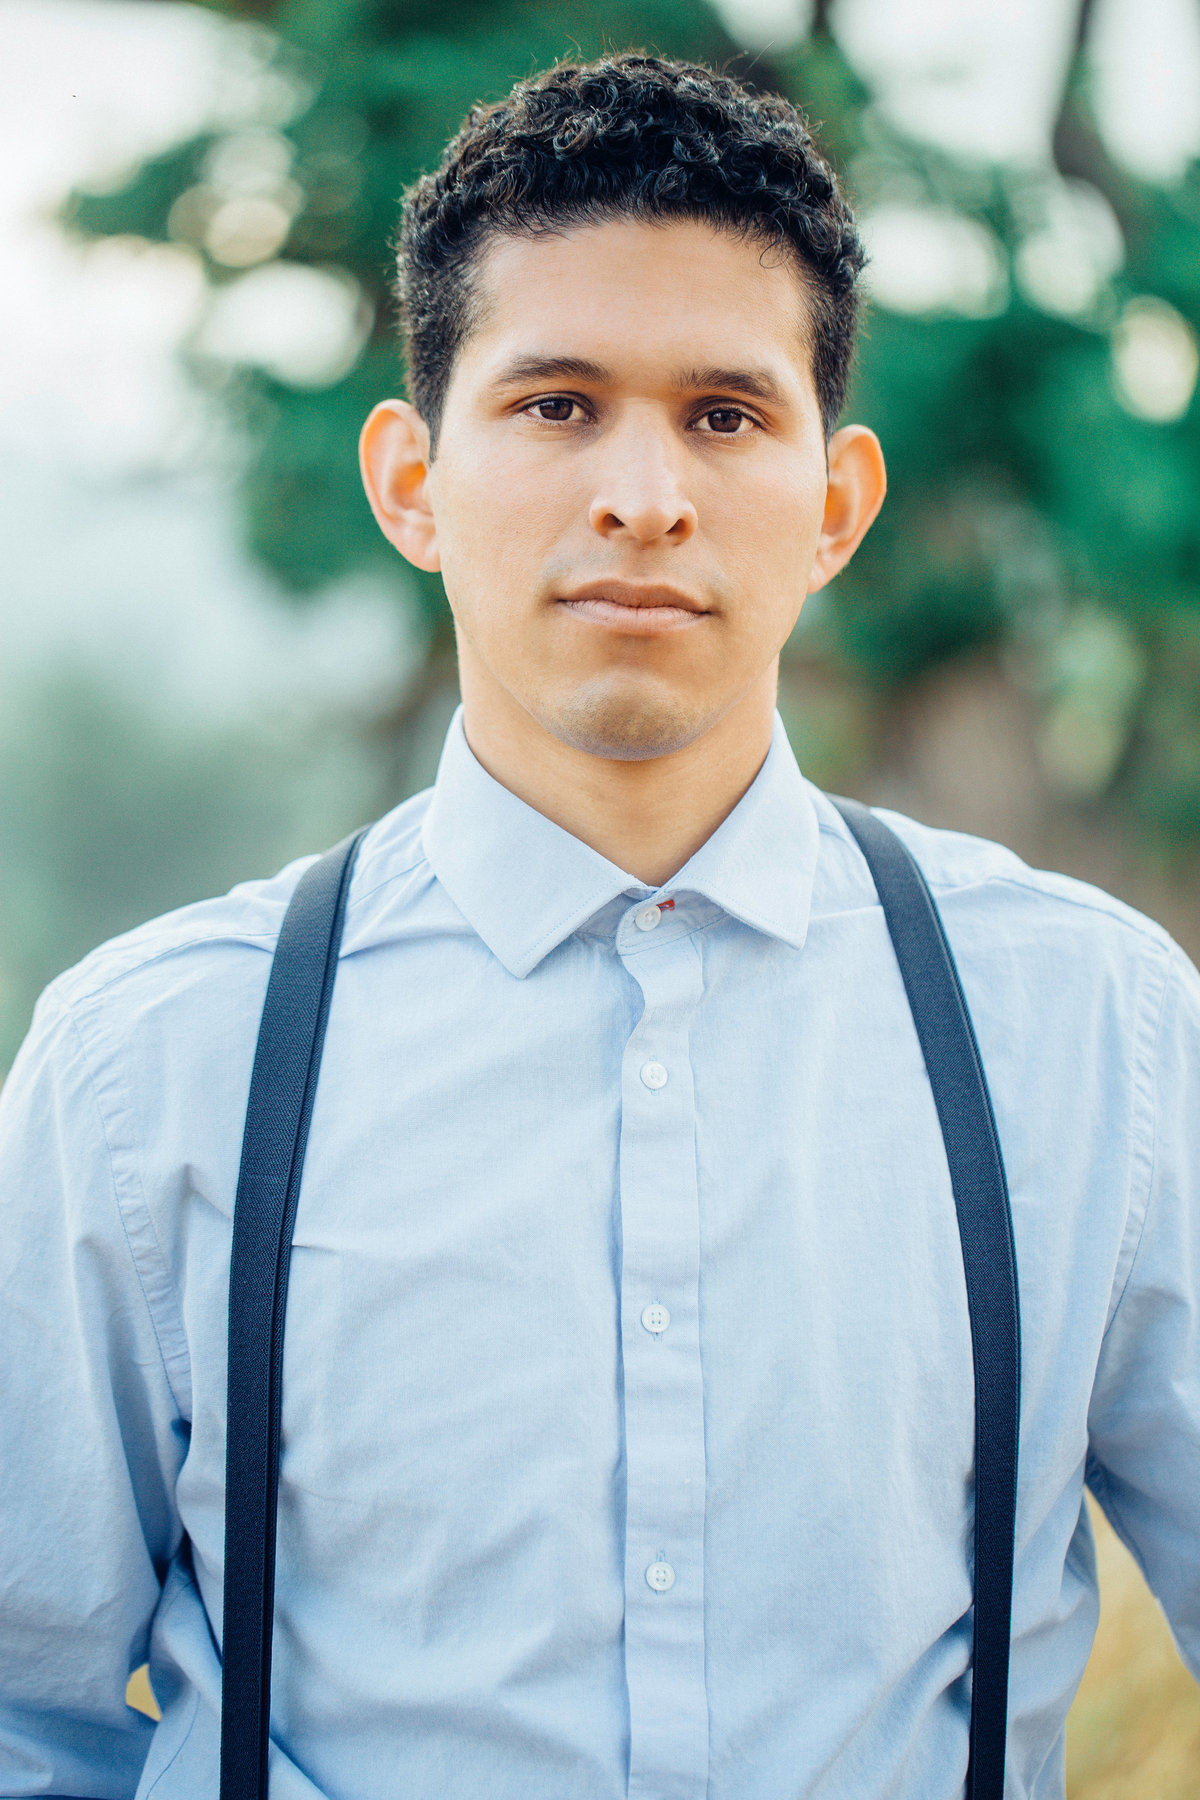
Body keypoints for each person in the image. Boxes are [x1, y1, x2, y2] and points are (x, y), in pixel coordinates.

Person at [0, 52, 1196, 1800]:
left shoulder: (1090, 1030)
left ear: (837, 504)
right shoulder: (151, 1068)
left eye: (725, 415)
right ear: (411, 481)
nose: (645, 494)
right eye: (556, 404)